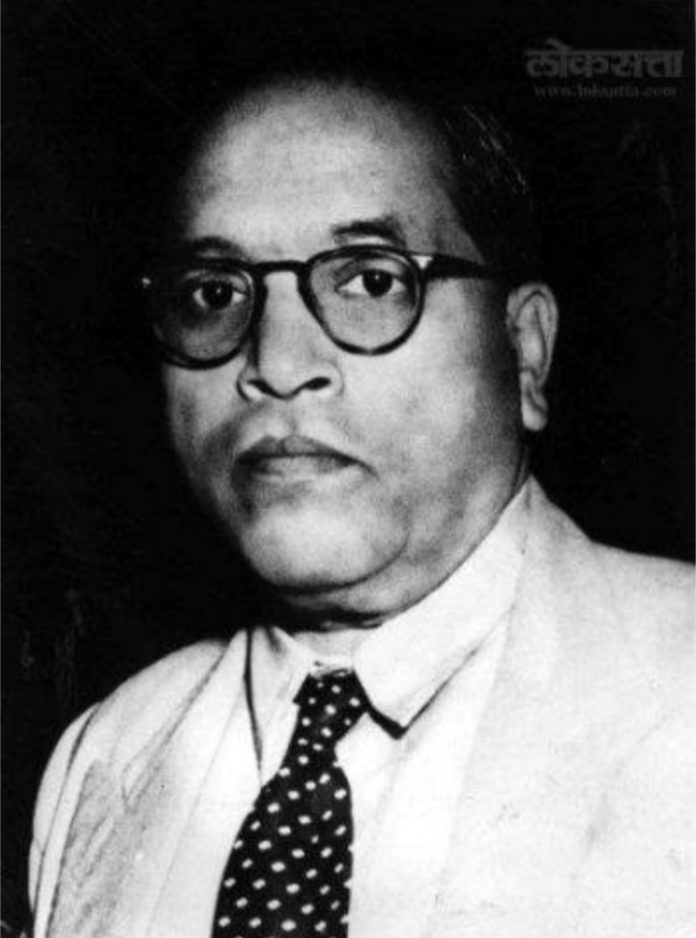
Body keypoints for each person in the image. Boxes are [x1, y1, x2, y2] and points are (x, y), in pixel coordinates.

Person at [27, 59, 693, 938]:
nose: (275, 362)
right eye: (214, 293)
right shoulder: (102, 756)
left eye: (372, 280)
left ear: (526, 352)